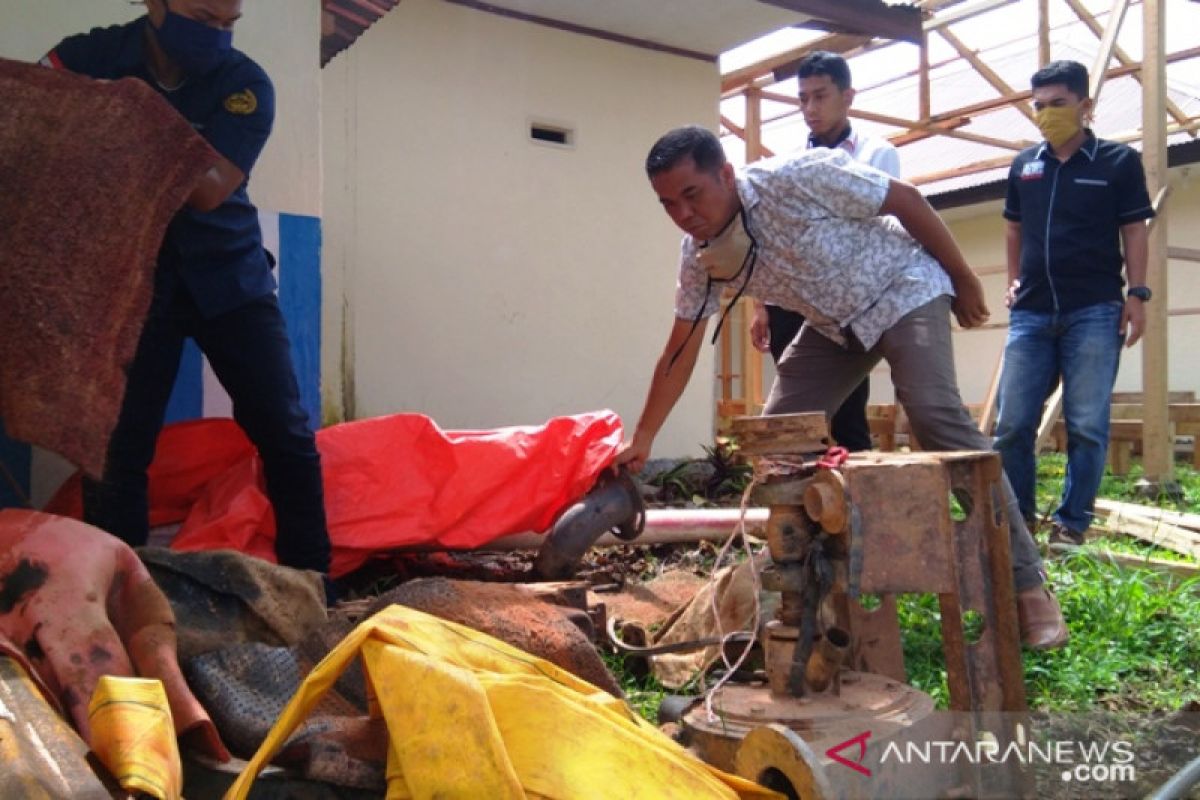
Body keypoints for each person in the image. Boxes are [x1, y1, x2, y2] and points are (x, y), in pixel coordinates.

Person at [616, 125, 1068, 649]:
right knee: (776, 442)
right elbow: (681, 347)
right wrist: (644, 437)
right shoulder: (699, 256)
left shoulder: (799, 176)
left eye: (691, 195)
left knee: (934, 414)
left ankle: (1029, 586)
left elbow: (905, 200)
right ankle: (806, 579)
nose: (683, 213)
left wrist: (963, 279)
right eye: (668, 203)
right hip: (835, 327)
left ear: (724, 173)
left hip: (902, 289)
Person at [42, 0, 332, 576]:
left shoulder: (245, 84)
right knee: (117, 454)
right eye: (203, 19)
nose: (218, 37)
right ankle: (122, 591)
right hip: (133, 286)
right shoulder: (90, 55)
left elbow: (207, 189)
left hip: (232, 280)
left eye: (229, 24)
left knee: (286, 434)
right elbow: (33, 118)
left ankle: (312, 582)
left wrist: (114, 120)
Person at [993, 60, 1153, 550]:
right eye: (1038, 106)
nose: (1046, 115)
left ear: (1086, 106)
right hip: (1032, 313)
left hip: (1095, 310)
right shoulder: (1026, 165)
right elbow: (1014, 227)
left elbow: (1134, 229)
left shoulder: (1117, 163)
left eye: (1058, 104)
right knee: (1012, 424)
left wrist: (1137, 294)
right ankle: (1018, 521)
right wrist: (1014, 279)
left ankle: (1072, 523)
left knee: (1086, 424)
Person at [750, 51, 900, 452]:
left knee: (848, 411)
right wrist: (761, 305)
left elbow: (874, 229)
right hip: (790, 298)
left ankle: (856, 506)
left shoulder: (877, 153)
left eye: (820, 96)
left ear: (847, 96)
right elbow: (774, 233)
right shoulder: (788, 161)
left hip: (843, 301)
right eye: (803, 99)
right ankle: (802, 504)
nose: (810, 108)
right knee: (795, 411)